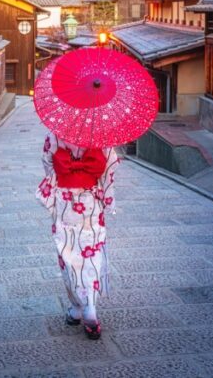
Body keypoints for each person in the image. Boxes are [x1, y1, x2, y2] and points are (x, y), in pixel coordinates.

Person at [36, 131, 120, 340]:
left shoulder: (54, 135)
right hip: (90, 202)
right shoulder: (101, 135)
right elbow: (110, 168)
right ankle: (90, 306)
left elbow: (48, 164)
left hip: (65, 202)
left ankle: (76, 308)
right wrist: (107, 198)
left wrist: (68, 172)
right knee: (91, 253)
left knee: (68, 254)